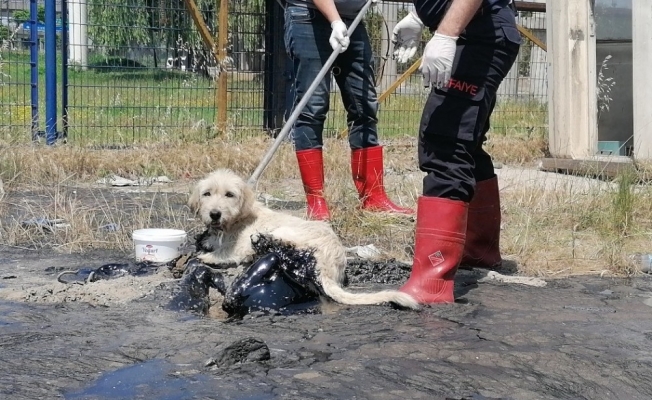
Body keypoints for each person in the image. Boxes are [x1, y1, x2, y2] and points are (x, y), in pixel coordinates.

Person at [390, 0, 521, 303]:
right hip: (477, 30)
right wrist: (419, 15)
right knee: (465, 142)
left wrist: (446, 33)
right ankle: (479, 250)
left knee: (445, 143)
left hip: (477, 33)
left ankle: (432, 281)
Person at [284, 0, 413, 221]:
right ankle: (316, 202)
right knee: (312, 107)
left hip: (353, 19)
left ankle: (373, 197)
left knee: (365, 106)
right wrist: (335, 21)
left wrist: (416, 15)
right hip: (308, 16)